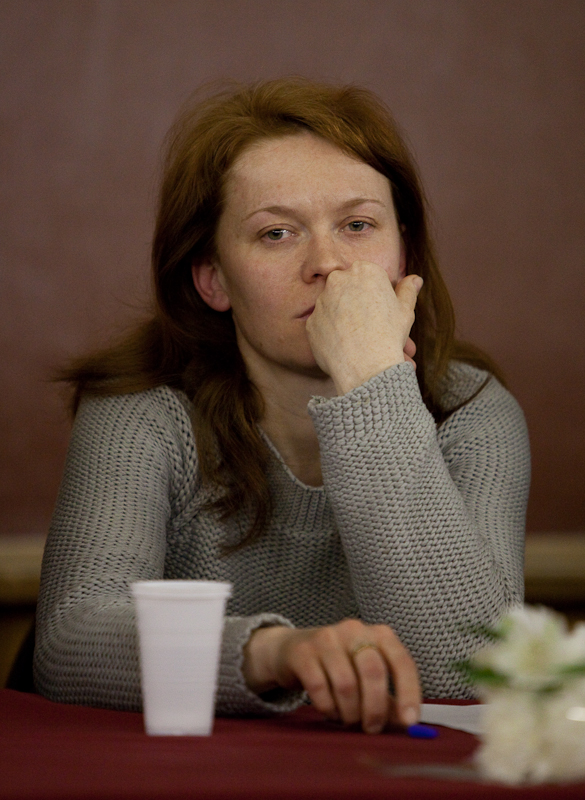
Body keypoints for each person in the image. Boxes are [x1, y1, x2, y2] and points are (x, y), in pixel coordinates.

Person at [33, 78, 530, 735]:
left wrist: (370, 381)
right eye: (276, 233)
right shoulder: (143, 412)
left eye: (358, 225)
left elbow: (470, 676)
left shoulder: (472, 412)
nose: (327, 263)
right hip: (190, 772)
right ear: (213, 278)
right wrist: (275, 652)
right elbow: (69, 640)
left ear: (403, 253)